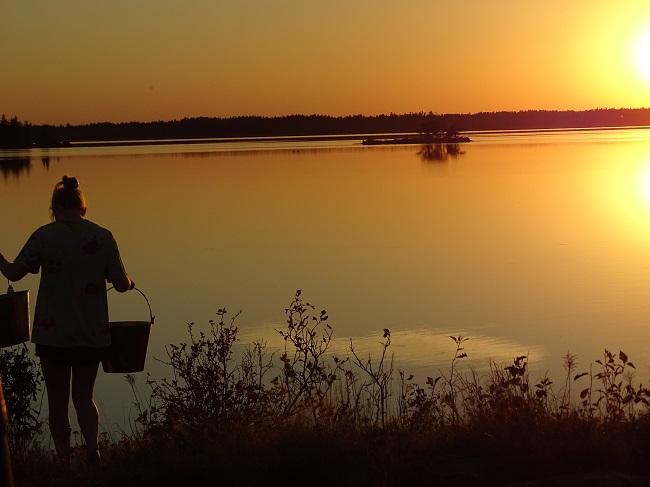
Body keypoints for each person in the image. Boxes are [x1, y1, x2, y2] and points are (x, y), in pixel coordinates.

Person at [0, 175, 135, 469]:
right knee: (84, 398)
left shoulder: (44, 236)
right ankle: (92, 453)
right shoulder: (103, 236)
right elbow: (122, 285)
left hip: (53, 335)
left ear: (55, 208)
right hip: (91, 333)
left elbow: (13, 273)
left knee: (58, 403)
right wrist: (129, 280)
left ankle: (64, 463)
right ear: (82, 207)